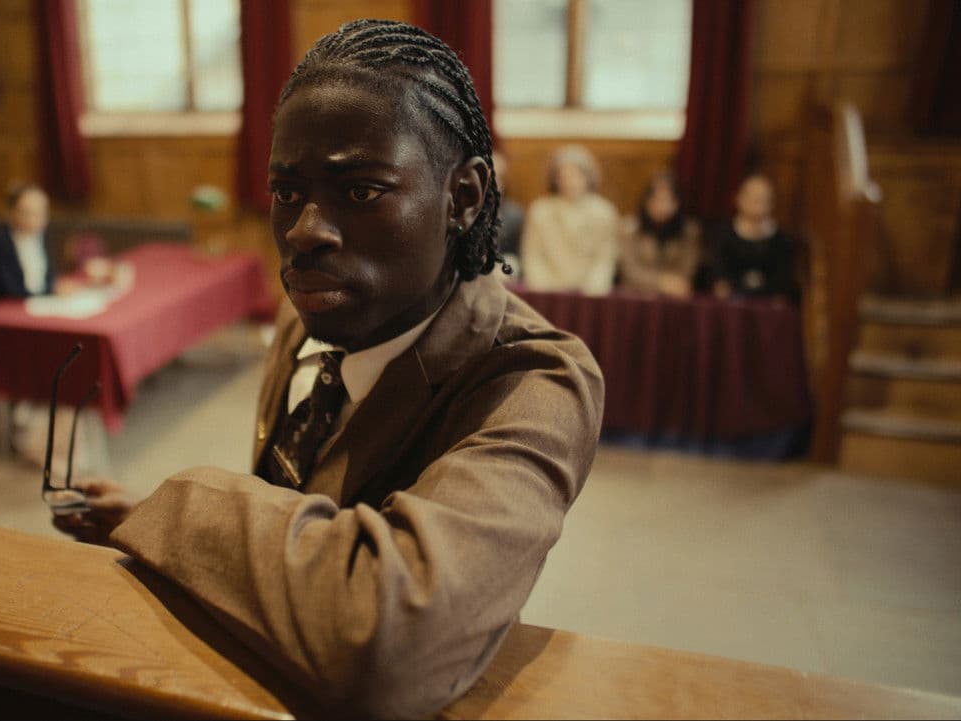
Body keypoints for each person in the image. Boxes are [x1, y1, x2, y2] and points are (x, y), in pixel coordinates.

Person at [52, 20, 604, 718]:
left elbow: (392, 638)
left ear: (463, 198)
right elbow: (282, 507)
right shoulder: (314, 313)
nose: (304, 231)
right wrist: (144, 518)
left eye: (362, 191)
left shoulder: (534, 378)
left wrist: (173, 509)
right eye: (287, 193)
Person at [519, 144, 620, 295]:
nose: (570, 181)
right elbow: (532, 256)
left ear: (588, 177)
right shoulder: (540, 210)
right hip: (547, 292)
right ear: (555, 179)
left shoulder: (604, 212)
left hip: (590, 294)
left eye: (576, 175)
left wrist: (592, 290)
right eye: (564, 176)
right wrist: (545, 288)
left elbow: (605, 258)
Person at [707, 174, 799, 302]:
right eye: (753, 198)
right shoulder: (722, 235)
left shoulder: (783, 241)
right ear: (739, 199)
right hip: (731, 302)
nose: (757, 205)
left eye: (763, 200)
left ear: (772, 203)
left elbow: (782, 281)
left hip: (767, 303)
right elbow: (718, 275)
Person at [617, 172, 701, 298]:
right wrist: (660, 282)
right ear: (646, 201)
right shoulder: (630, 229)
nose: (661, 205)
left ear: (677, 203)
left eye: (666, 200)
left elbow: (688, 269)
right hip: (636, 296)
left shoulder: (690, 232)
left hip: (676, 296)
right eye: (656, 199)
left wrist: (674, 283)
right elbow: (629, 270)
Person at [0, 183, 58, 303]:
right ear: (11, 212)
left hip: (39, 304)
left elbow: (49, 277)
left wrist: (54, 288)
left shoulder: (44, 238)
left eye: (40, 213)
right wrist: (50, 292)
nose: (34, 219)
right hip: (5, 306)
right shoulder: (0, 244)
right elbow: (8, 290)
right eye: (27, 213)